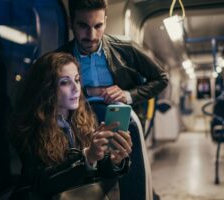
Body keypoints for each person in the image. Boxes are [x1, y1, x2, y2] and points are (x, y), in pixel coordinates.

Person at [9, 52, 132, 200]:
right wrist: (87, 156)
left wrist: (114, 160)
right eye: (65, 82)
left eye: (77, 80)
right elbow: (40, 183)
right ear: (47, 87)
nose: (76, 88)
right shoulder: (30, 127)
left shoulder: (85, 119)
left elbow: (96, 171)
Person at [57, 0, 169, 125]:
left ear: (105, 22)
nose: (92, 36)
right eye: (83, 26)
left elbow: (162, 78)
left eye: (98, 26)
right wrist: (88, 91)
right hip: (77, 129)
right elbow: (47, 95)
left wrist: (127, 95)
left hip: (123, 127)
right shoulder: (58, 58)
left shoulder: (126, 48)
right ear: (70, 23)